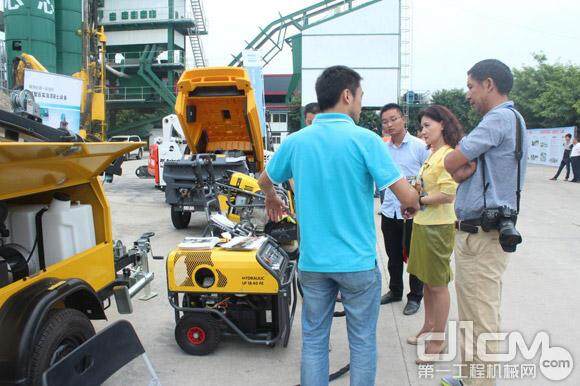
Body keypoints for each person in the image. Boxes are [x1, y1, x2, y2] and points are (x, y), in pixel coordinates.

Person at [258, 65, 419, 386]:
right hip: (357, 264)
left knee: (315, 340)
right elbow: (407, 198)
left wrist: (272, 198)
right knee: (362, 342)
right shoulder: (366, 141)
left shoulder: (296, 141)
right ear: (347, 95)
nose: (360, 104)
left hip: (314, 264)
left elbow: (264, 179)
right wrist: (415, 194)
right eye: (360, 97)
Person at [442, 59, 528, 386]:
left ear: (488, 84)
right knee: (476, 315)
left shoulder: (497, 119)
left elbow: (452, 160)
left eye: (471, 87)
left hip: (481, 236)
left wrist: (460, 161)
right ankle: (469, 378)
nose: (468, 95)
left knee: (480, 319)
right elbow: (460, 163)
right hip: (480, 233)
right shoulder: (512, 119)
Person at [405, 105, 463, 363]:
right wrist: (416, 201)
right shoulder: (432, 154)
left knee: (438, 285)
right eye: (422, 126)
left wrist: (419, 199)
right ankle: (428, 326)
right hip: (423, 223)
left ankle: (439, 339)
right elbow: (425, 188)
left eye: (428, 125)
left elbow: (448, 194)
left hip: (438, 227)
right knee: (427, 281)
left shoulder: (448, 155)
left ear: (443, 125)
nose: (423, 131)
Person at [378, 103, 430, 315]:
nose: (389, 124)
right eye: (384, 121)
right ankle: (395, 291)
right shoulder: (383, 149)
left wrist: (419, 199)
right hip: (389, 210)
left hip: (412, 213)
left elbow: (429, 177)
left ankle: (415, 297)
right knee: (393, 256)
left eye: (393, 119)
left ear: (403, 119)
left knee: (414, 257)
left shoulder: (419, 146)